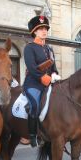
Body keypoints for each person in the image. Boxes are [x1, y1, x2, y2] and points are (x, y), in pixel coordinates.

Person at [23, 15, 61, 147]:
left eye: (45, 28)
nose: (44, 31)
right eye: (40, 29)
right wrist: (45, 78)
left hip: (49, 83)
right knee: (34, 105)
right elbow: (32, 68)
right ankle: (32, 136)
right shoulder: (29, 47)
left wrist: (55, 74)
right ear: (34, 31)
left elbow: (54, 67)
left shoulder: (49, 49)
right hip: (33, 84)